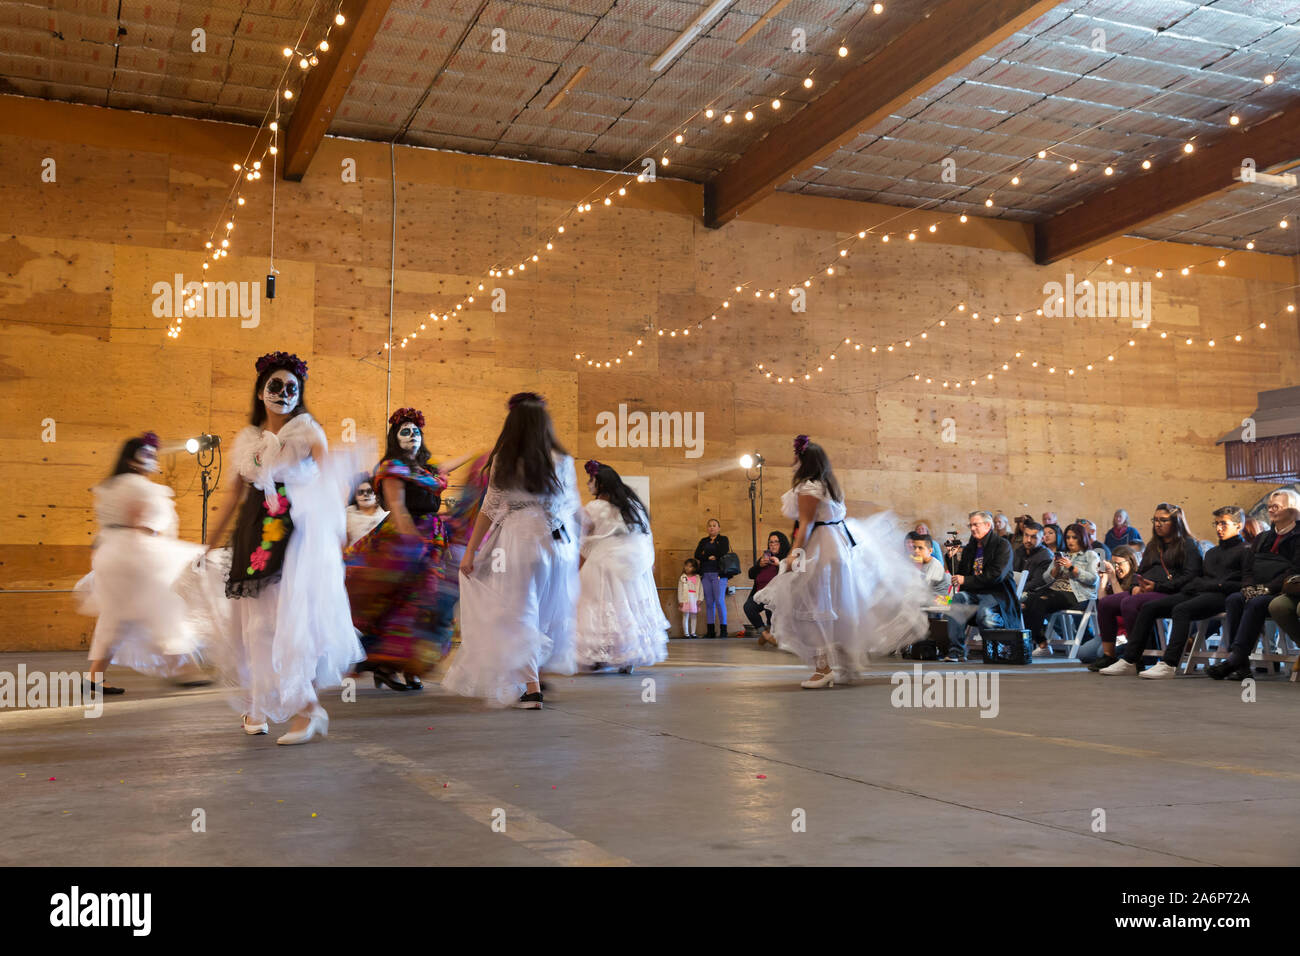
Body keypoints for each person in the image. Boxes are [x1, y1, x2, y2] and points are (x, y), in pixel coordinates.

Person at [204, 351, 362, 744]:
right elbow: (232, 496)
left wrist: (338, 529)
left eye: (293, 387)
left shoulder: (308, 432)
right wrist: (208, 543)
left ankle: (306, 711)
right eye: (275, 386)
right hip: (253, 534)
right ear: (260, 392)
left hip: (295, 537)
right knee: (255, 626)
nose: (284, 393)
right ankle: (260, 706)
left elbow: (331, 483)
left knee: (288, 622)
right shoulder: (247, 440)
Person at [443, 392, 581, 709]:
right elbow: (572, 508)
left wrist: (470, 552)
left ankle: (531, 689)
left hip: (519, 542)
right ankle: (533, 674)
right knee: (546, 612)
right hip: (558, 546)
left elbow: (489, 509)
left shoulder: (505, 460)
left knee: (516, 613)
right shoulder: (563, 460)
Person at [756, 436, 927, 687]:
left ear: (804, 460)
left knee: (811, 604)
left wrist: (794, 554)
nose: (793, 460)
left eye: (796, 456)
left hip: (824, 548)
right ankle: (848, 666)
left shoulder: (809, 488)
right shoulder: (830, 485)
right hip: (841, 545)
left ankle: (822, 669)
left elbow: (805, 525)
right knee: (843, 604)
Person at [344, 408, 473, 692]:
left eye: (416, 431)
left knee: (423, 603)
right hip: (406, 538)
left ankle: (407, 667)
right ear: (395, 437)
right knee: (404, 602)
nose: (412, 435)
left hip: (432, 539)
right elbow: (399, 508)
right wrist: (412, 545)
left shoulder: (427, 470)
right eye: (405, 431)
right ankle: (388, 663)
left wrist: (477, 455)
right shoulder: (392, 468)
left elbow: (446, 468)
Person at [76, 432, 209, 695]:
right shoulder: (140, 487)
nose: (152, 459)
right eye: (146, 455)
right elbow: (143, 525)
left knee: (116, 618)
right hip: (130, 553)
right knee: (160, 606)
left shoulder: (110, 485)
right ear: (132, 461)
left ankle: (94, 677)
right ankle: (183, 668)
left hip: (109, 553)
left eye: (152, 454)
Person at [1106, 506, 1246, 679]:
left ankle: (1169, 663)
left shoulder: (1245, 550)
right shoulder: (1212, 552)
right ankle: (1130, 660)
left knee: (1182, 609)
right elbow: (1199, 578)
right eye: (1216, 524)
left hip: (1222, 596)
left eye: (1223, 524)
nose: (1218, 528)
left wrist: (1215, 585)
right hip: (1200, 591)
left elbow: (1243, 582)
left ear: (1238, 526)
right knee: (1149, 607)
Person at [573, 460, 669, 673]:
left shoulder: (594, 508)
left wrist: (576, 568)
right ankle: (628, 656)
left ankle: (600, 656)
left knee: (600, 608)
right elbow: (644, 537)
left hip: (602, 566)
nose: (589, 484)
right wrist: (646, 563)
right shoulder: (632, 508)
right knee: (628, 609)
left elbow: (583, 541)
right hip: (631, 568)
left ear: (602, 484)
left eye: (591, 480)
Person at [1097, 503, 1203, 675]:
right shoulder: (1153, 545)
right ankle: (1109, 656)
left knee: (1130, 603)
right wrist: (1134, 587)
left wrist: (1158, 586)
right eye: (1155, 520)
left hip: (1171, 592)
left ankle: (1134, 659)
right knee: (1106, 603)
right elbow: (1140, 570)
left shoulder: (1189, 545)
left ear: (1176, 522)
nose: (1158, 524)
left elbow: (1191, 577)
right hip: (1147, 590)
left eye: (1163, 520)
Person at [1208, 489, 1300, 681]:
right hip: (1257, 588)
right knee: (1234, 599)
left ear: (1292, 509)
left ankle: (1235, 660)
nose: (1271, 511)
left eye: (1276, 507)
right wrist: (1248, 587)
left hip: (1281, 591)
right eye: (1269, 507)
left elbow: (1293, 571)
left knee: (1256, 603)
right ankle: (1240, 664)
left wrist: (1266, 589)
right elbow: (1248, 568)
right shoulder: (1262, 537)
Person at [944, 510, 1022, 662]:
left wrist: (965, 580)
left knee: (984, 613)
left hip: (997, 594)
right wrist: (951, 557)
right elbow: (960, 574)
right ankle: (956, 651)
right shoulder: (970, 548)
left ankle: (998, 647)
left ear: (988, 525)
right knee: (958, 598)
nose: (972, 528)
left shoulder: (1002, 545)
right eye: (970, 525)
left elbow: (996, 575)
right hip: (975, 594)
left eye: (976, 524)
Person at [1025, 523, 1100, 657]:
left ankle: (1041, 645)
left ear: (1082, 538)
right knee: (1026, 601)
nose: (1070, 541)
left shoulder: (1091, 555)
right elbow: (1046, 578)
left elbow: (1093, 579)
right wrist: (1056, 569)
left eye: (1074, 538)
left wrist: (1072, 568)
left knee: (1040, 602)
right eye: (1068, 538)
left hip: (1077, 594)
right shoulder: (1062, 554)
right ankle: (1041, 642)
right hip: (1055, 590)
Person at [746, 531, 792, 646]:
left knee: (770, 608)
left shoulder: (786, 558)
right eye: (770, 542)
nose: (773, 545)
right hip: (760, 594)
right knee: (748, 607)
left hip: (778, 596)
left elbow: (794, 573)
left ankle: (771, 633)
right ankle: (765, 634)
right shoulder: (765, 558)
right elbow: (751, 574)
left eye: (776, 542)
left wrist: (779, 564)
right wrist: (759, 566)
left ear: (782, 543)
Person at [693, 519, 731, 638]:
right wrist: (709, 556)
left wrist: (710, 554)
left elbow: (723, 551)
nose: (712, 528)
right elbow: (697, 555)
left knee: (719, 600)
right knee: (709, 602)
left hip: (719, 574)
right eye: (709, 526)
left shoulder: (723, 539)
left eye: (714, 526)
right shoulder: (704, 541)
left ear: (719, 528)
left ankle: (723, 630)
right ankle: (711, 631)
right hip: (706, 573)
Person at [345, 476, 387, 546]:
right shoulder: (348, 514)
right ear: (355, 496)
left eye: (369, 491)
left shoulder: (385, 514)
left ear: (376, 495)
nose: (365, 494)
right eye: (360, 492)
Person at [907, 531, 950, 597]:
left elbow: (922, 588)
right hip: (925, 598)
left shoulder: (935, 565)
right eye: (915, 547)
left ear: (930, 551)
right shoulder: (919, 563)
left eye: (920, 548)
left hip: (940, 600)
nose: (916, 551)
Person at [1013, 521, 1053, 586]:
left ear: (1042, 539)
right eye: (1026, 535)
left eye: (1033, 537)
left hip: (1031, 593)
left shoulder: (1046, 556)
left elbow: (1035, 584)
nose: (1028, 540)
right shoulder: (1019, 550)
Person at [678, 558, 702, 638]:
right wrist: (680, 600)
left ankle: (693, 633)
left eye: (690, 566)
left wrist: (700, 599)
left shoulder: (697, 578)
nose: (687, 568)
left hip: (694, 599)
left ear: (695, 568)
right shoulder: (683, 577)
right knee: (685, 616)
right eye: (686, 566)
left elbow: (701, 589)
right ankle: (686, 633)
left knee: (694, 616)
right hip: (685, 598)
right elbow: (680, 590)